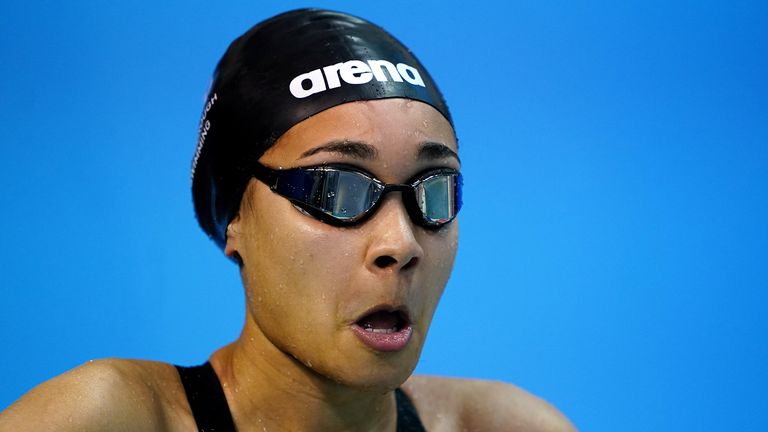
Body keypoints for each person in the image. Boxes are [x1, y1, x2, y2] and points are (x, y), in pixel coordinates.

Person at [0, 9, 575, 431]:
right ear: (234, 221)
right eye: (336, 189)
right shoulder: (106, 420)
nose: (400, 243)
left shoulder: (504, 425)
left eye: (434, 191)